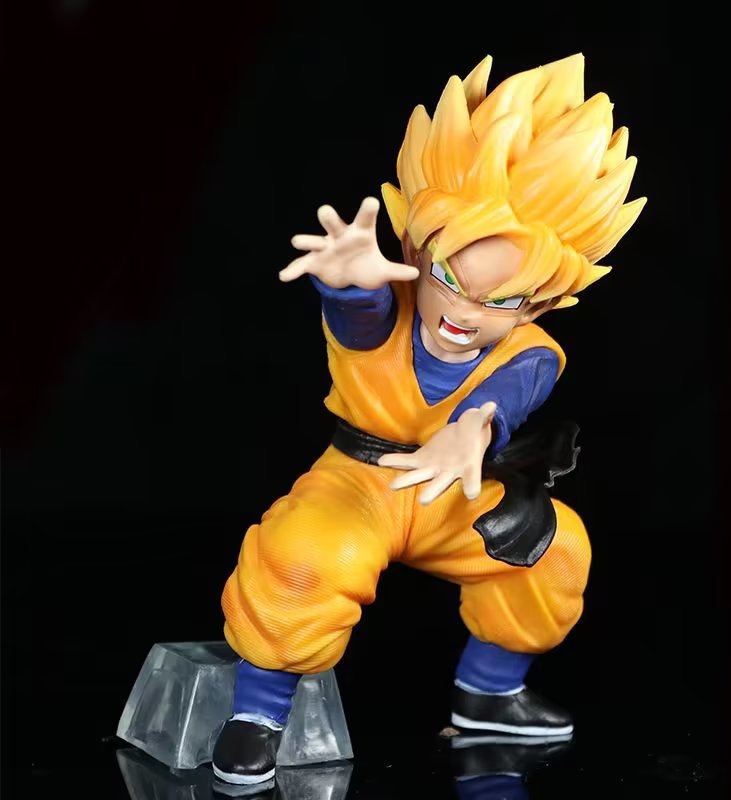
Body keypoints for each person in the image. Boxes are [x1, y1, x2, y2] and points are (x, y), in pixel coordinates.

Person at [211, 52, 645, 786]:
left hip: (453, 490)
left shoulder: (534, 352)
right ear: (415, 245)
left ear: (540, 303)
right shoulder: (389, 308)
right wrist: (346, 284)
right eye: (451, 278)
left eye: (503, 300)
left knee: (556, 547)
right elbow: (361, 314)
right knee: (307, 555)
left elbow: (503, 397)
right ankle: (257, 714)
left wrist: (472, 431)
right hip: (358, 480)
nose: (465, 315)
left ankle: (489, 693)